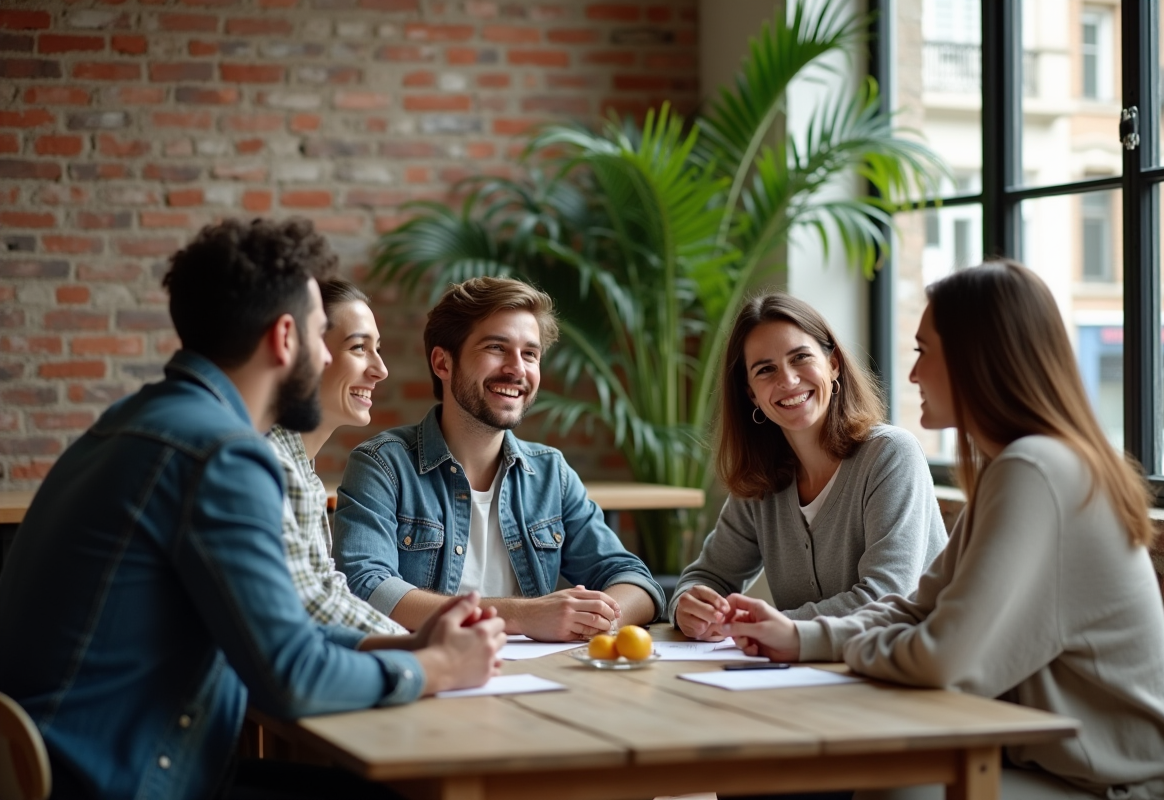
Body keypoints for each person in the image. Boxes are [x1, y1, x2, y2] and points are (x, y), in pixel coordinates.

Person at [0, 218, 506, 800]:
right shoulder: (222, 455)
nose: (324, 356)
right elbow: (290, 677)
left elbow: (280, 636)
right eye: (323, 337)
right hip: (124, 781)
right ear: (284, 339)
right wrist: (440, 670)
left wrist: (409, 647)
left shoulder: (132, 423)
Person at [725, 261, 1164, 800]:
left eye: (924, 351)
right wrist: (799, 638)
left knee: (889, 790)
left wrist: (835, 647)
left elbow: (945, 659)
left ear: (976, 358)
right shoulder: (1015, 469)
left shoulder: (1036, 471)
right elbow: (917, 607)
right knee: (782, 777)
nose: (912, 375)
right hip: (1046, 760)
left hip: (1110, 783)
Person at [333, 276, 665, 641]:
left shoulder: (551, 473)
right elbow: (366, 588)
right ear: (443, 363)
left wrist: (595, 620)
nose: (518, 369)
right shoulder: (383, 465)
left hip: (537, 681)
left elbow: (634, 580)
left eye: (530, 354)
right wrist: (523, 616)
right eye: (496, 348)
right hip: (433, 678)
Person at [669, 294, 947, 640]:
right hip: (810, 677)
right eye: (765, 370)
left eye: (800, 358)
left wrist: (770, 627)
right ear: (751, 394)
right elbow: (708, 577)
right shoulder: (762, 479)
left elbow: (885, 599)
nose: (787, 380)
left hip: (904, 677)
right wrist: (687, 605)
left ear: (834, 364)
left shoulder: (890, 455)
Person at [268, 277, 407, 635]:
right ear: (308, 353)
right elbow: (311, 606)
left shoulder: (303, 470)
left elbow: (328, 590)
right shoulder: (273, 463)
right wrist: (421, 649)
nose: (380, 369)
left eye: (378, 349)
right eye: (359, 348)